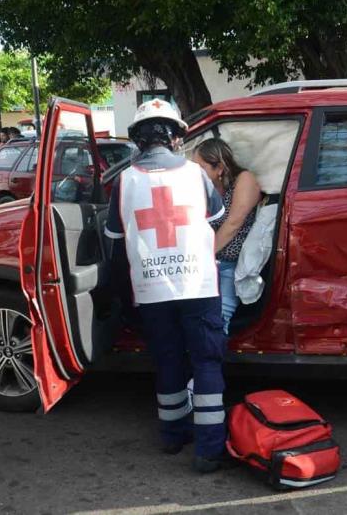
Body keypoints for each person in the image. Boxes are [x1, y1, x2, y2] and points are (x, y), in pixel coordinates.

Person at [104, 99, 233, 473]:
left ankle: (173, 436)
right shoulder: (196, 175)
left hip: (152, 290)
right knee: (206, 361)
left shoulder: (124, 181)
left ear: (139, 141)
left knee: (168, 359)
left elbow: (114, 234)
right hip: (198, 284)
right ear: (177, 137)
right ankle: (209, 450)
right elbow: (217, 217)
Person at [192, 139, 261, 333]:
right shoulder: (205, 188)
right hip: (205, 264)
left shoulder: (244, 179)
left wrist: (206, 255)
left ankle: (214, 358)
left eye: (200, 167)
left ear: (219, 167)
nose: (194, 172)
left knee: (220, 316)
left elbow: (233, 223)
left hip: (230, 264)